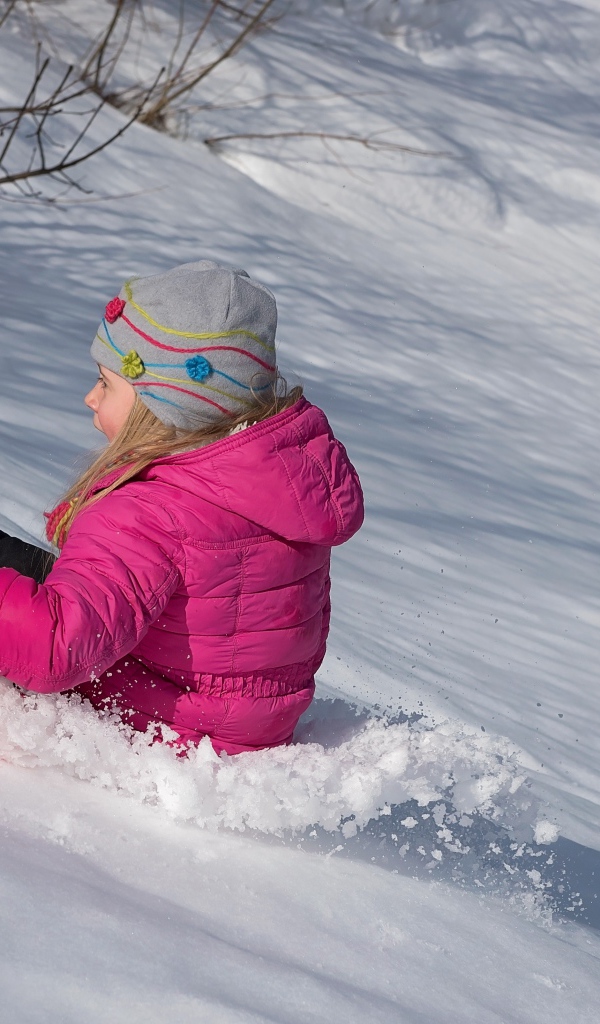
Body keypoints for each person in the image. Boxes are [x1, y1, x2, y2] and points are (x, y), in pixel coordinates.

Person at [0, 260, 363, 755]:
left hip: (152, 734)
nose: (90, 397)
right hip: (233, 733)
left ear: (163, 404)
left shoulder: (147, 513)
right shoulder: (275, 490)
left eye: (106, 383)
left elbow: (54, 652)